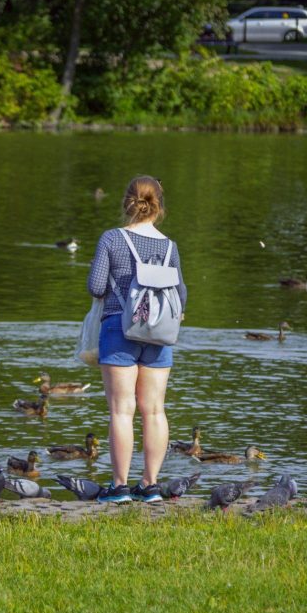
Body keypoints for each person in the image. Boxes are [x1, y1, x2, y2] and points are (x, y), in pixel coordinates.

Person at [86, 175, 187, 503]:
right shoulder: (169, 246)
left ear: (126, 202)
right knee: (155, 410)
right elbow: (181, 295)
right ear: (159, 207)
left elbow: (96, 286)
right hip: (160, 333)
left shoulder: (112, 239)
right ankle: (151, 485)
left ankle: (119, 487)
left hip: (120, 328)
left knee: (121, 410)